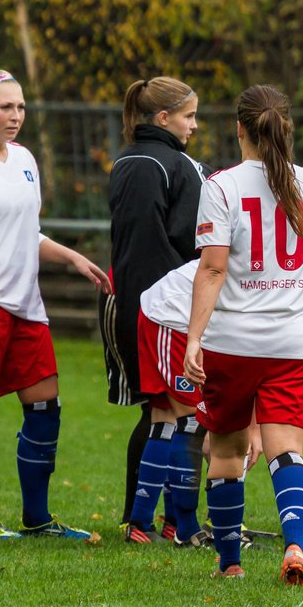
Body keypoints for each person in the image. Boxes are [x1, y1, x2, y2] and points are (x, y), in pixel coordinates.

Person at [184, 84, 303, 584]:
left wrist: (193, 339)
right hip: (296, 342)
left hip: (233, 343)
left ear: (239, 128)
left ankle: (230, 563)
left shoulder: (223, 185)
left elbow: (212, 270)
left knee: (227, 452)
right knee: (286, 450)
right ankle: (295, 545)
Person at [0, 69, 112, 539]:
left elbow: (25, 234)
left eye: (20, 107)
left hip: (26, 304)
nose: (16, 116)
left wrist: (72, 256)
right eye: (5, 107)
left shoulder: (24, 159)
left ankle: (37, 518)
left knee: (45, 406)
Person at [127, 265, 303, 546]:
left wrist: (254, 428)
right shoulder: (292, 302)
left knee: (167, 420)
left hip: (176, 312)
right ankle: (186, 530)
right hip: (174, 314)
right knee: (190, 421)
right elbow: (258, 358)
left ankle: (148, 524)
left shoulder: (295, 291)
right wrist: (251, 429)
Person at [101, 77, 209, 538]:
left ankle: (145, 519)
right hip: (162, 309)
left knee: (159, 410)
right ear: (163, 118)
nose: (195, 125)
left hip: (128, 300)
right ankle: (168, 521)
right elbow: (185, 242)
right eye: (188, 116)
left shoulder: (127, 160)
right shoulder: (170, 165)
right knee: (178, 413)